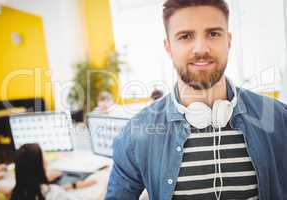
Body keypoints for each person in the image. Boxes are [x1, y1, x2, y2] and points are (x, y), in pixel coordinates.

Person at [105, 0, 287, 200]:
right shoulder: (136, 133)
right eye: (185, 36)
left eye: (213, 34)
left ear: (228, 41)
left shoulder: (280, 119)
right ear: (168, 47)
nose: (200, 48)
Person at [11, 143, 95, 200]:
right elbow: (52, 194)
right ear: (38, 168)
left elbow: (40, 191)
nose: (46, 162)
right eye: (43, 159)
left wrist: (72, 185)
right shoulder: (55, 193)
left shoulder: (15, 193)